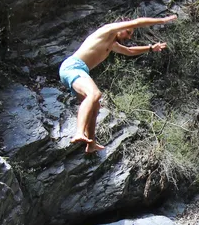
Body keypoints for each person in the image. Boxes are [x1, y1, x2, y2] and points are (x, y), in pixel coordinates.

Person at [58, 15, 178, 153]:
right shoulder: (107, 30)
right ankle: (79, 132)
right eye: (128, 32)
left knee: (95, 106)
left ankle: (91, 144)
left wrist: (151, 48)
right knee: (95, 94)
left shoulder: (112, 44)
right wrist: (162, 20)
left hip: (78, 70)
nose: (129, 37)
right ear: (121, 25)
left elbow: (129, 51)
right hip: (73, 67)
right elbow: (137, 22)